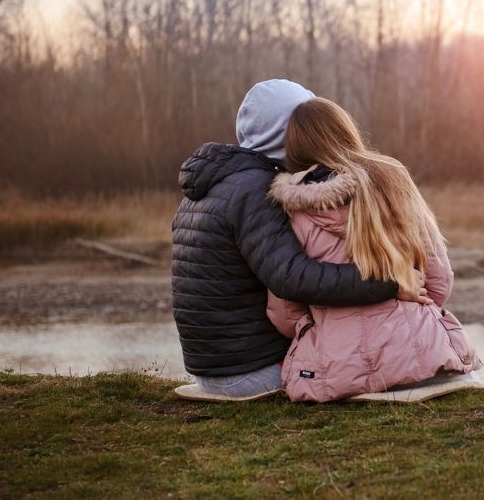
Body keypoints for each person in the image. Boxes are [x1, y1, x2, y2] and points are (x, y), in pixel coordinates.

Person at [171, 79, 430, 401]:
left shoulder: (214, 183)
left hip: (212, 368)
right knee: (359, 363)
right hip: (250, 371)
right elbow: (294, 279)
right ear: (290, 131)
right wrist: (391, 282)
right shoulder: (257, 188)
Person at [266, 97, 482, 402]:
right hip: (424, 358)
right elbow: (439, 280)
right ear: (346, 131)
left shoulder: (291, 211)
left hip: (337, 372)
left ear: (295, 147)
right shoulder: (392, 180)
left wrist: (323, 327)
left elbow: (285, 313)